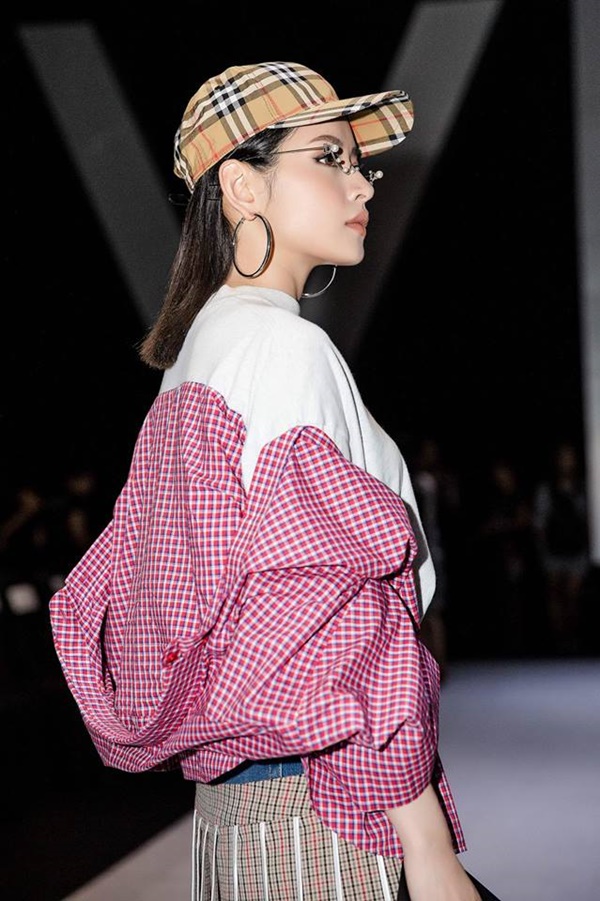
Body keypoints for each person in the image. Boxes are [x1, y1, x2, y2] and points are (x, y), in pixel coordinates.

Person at [49, 61, 500, 901]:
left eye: (358, 162)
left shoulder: (194, 357)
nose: (360, 182)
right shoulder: (287, 350)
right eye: (328, 157)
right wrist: (428, 843)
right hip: (325, 808)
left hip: (233, 814)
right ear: (242, 186)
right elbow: (333, 621)